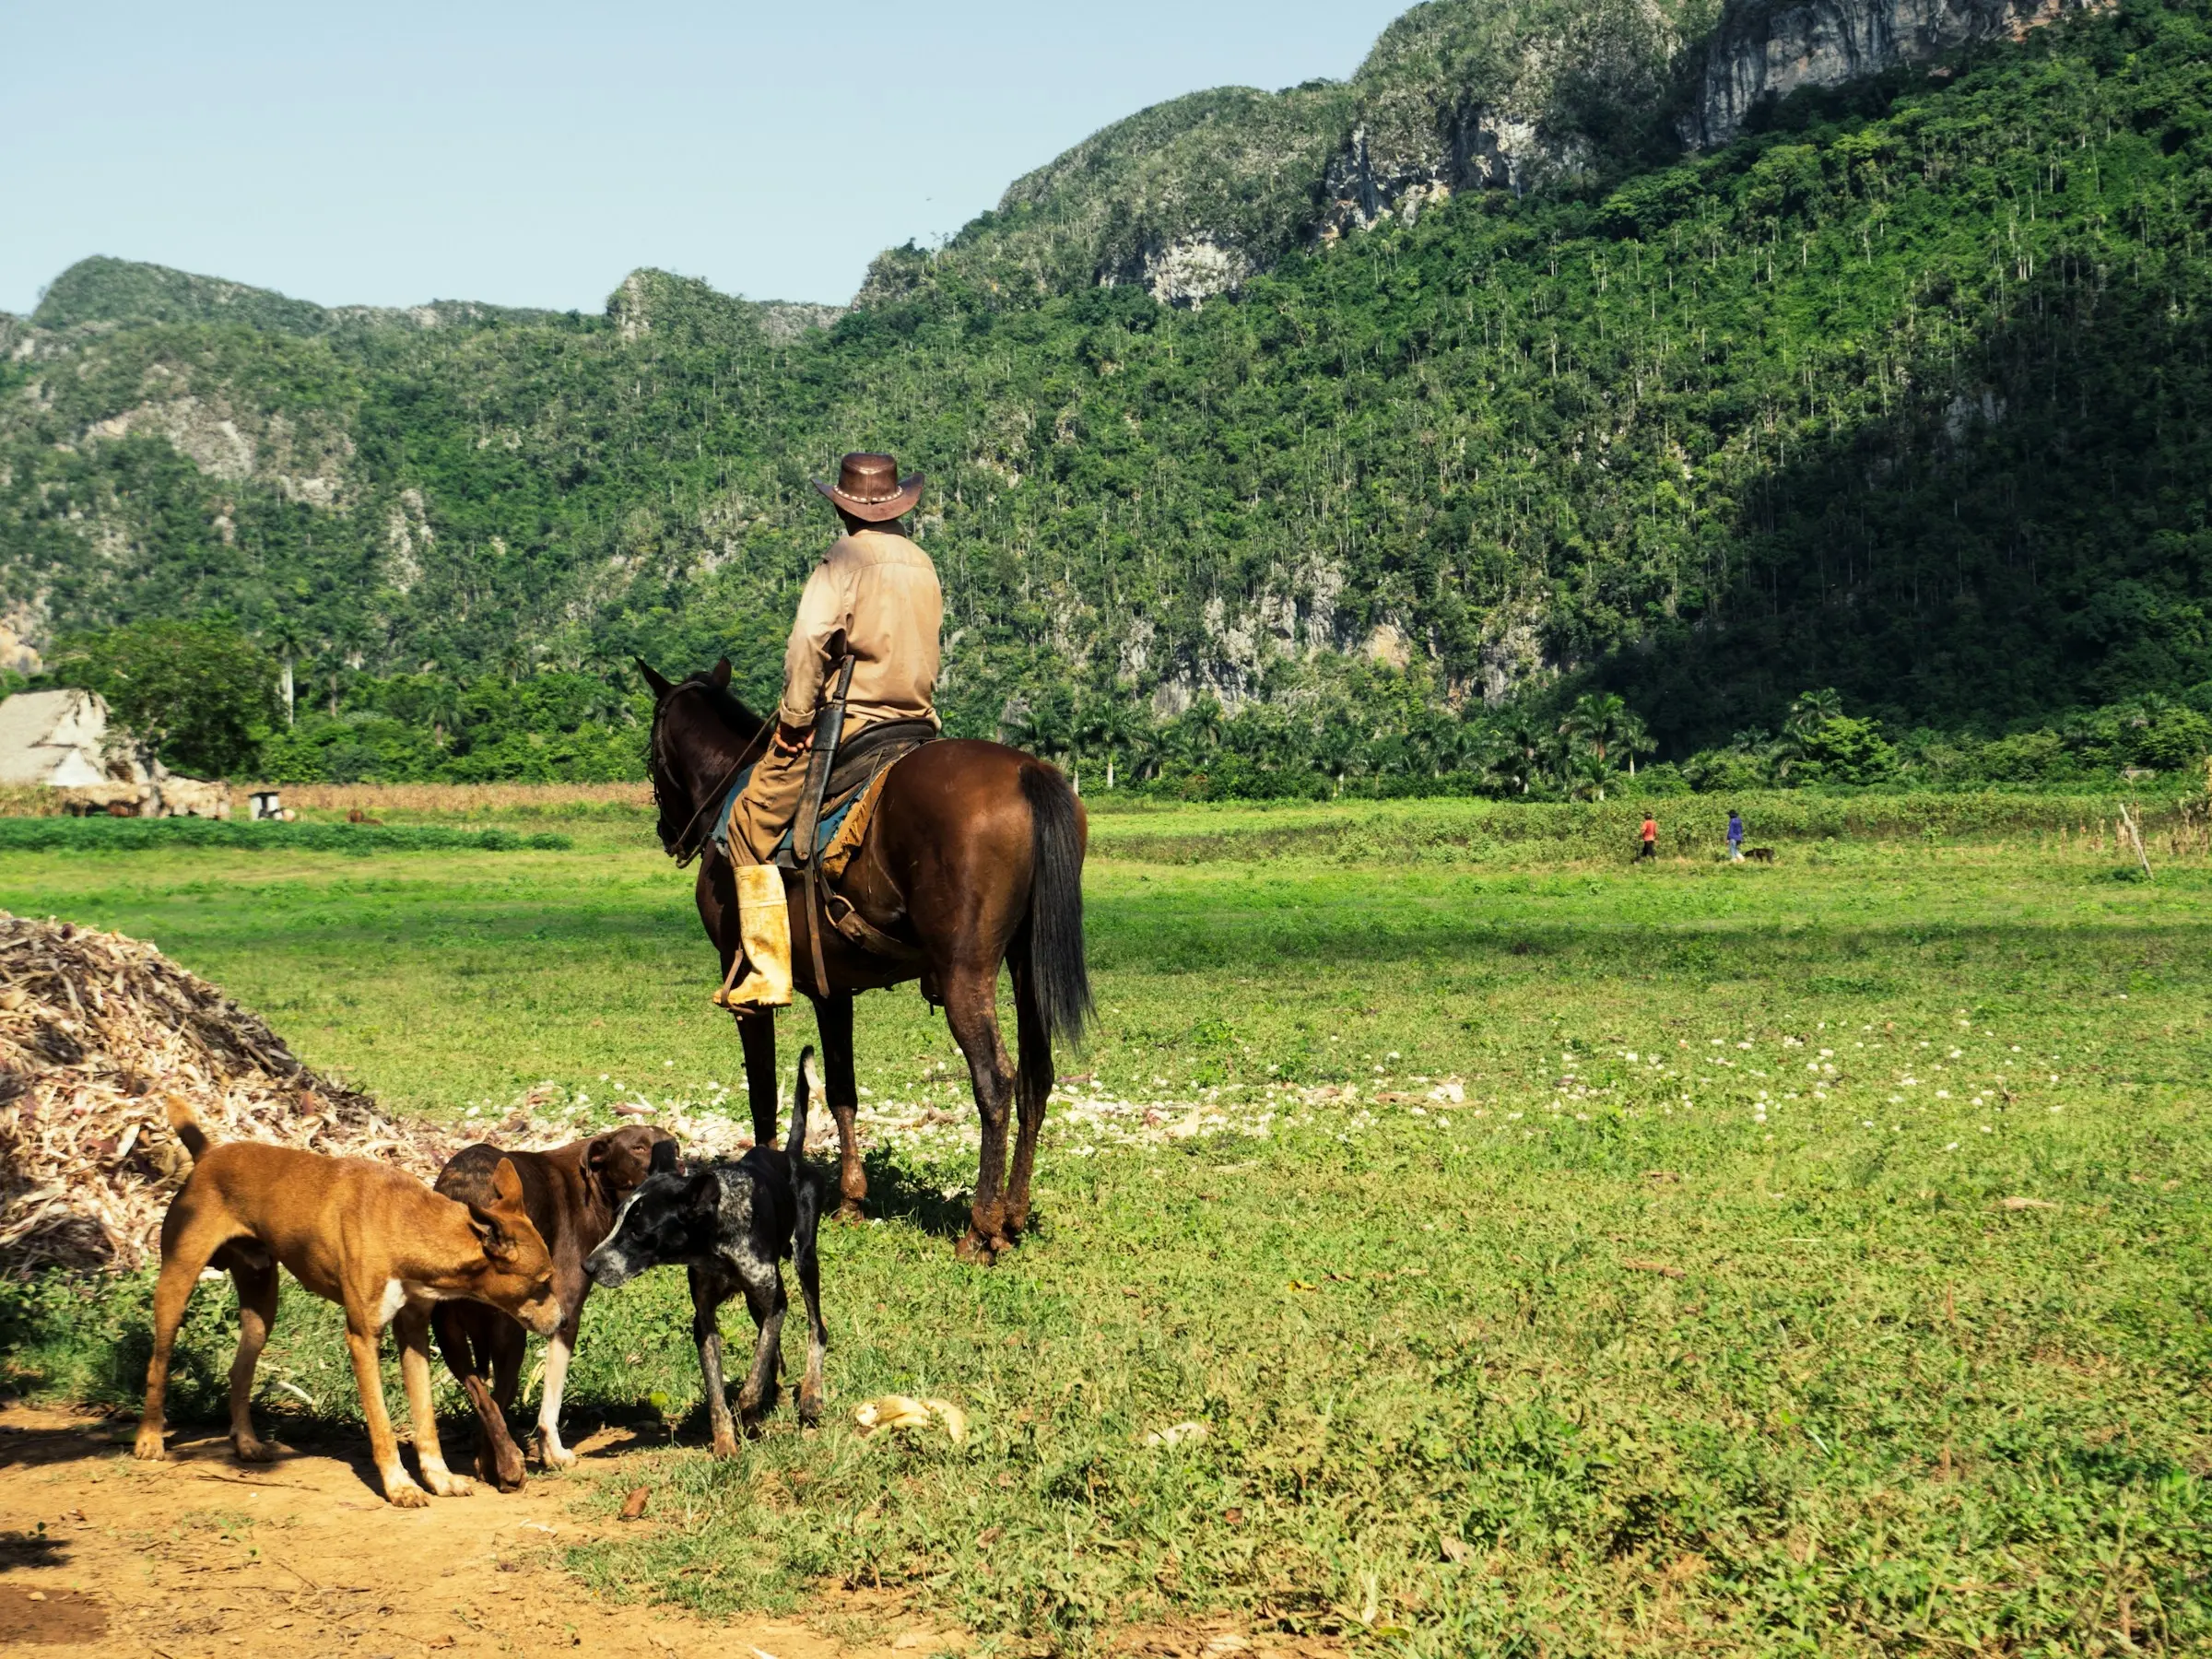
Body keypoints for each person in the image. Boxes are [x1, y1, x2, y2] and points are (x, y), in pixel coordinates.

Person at [718, 453, 944, 1010]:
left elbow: (809, 641)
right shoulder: (923, 561)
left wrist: (795, 720)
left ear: (844, 507)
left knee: (749, 818)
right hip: (917, 725)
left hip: (853, 724)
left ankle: (766, 970)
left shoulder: (842, 560)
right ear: (897, 504)